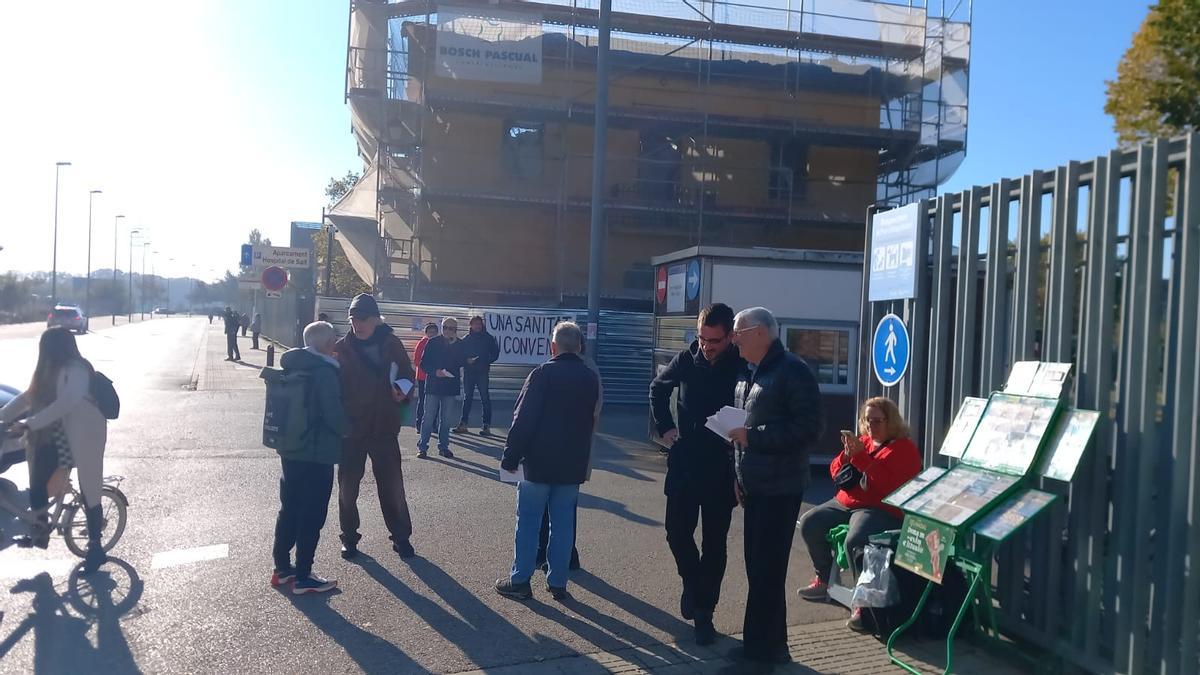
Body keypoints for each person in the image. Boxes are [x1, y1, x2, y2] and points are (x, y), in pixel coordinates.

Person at [726, 307, 823, 671]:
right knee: (758, 569)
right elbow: (741, 431)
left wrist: (755, 438)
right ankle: (764, 646)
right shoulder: (753, 373)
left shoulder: (792, 371)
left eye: (739, 331)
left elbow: (809, 429)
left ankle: (764, 652)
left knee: (767, 571)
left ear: (762, 333)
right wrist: (737, 475)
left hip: (780, 488)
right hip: (756, 485)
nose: (734, 338)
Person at [649, 303, 745, 646]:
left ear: (730, 337)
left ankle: (705, 612)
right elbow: (658, 389)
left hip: (721, 468)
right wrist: (667, 428)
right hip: (686, 462)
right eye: (702, 338)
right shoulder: (687, 358)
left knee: (714, 544)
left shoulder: (742, 365)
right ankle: (693, 583)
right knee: (676, 532)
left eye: (714, 341)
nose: (706, 346)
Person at [496, 321, 600, 601]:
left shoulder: (542, 374)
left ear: (552, 346)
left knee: (528, 522)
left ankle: (520, 580)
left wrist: (510, 456)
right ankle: (558, 582)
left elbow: (523, 419)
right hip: (572, 463)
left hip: (539, 462)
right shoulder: (590, 377)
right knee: (563, 525)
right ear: (579, 347)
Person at [797, 396, 921, 631]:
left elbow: (889, 487)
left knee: (856, 541)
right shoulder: (863, 441)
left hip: (877, 507)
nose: (871, 426)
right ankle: (823, 579)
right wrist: (845, 455)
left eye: (877, 421)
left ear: (891, 421)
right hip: (846, 502)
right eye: (867, 420)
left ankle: (863, 604)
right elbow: (836, 471)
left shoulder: (903, 449)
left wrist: (861, 458)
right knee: (809, 522)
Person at [0, 328, 109, 573]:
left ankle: (96, 547)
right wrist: (2, 417)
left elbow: (66, 403)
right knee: (37, 478)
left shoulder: (78, 370)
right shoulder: (49, 370)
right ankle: (40, 528)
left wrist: (28, 423)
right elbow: (28, 397)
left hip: (86, 435)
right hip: (58, 434)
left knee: (89, 487)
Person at [334, 293, 418, 560]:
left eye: (362, 319)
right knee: (348, 488)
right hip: (352, 430)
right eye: (353, 319)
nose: (357, 324)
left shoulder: (391, 343)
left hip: (383, 426)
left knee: (392, 485)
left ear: (375, 320)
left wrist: (402, 390)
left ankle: (401, 537)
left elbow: (408, 373)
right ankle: (349, 538)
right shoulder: (341, 347)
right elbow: (332, 387)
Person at [271, 321, 348, 594]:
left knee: (289, 507)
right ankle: (304, 575)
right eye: (334, 340)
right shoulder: (324, 372)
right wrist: (350, 431)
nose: (336, 343)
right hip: (317, 452)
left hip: (290, 448)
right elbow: (333, 415)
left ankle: (282, 569)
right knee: (313, 513)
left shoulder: (292, 364)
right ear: (327, 344)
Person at [416, 317, 462, 459]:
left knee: (446, 420)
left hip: (450, 387)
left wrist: (454, 345)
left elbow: (462, 362)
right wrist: (435, 372)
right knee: (428, 418)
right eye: (446, 327)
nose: (448, 330)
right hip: (434, 386)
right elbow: (423, 363)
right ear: (442, 328)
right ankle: (422, 447)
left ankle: (443, 447)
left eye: (452, 328)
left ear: (456, 330)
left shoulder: (460, 344)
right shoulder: (432, 342)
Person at [454, 315, 500, 436]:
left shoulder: (489, 338)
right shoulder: (466, 339)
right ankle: (463, 424)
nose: (477, 326)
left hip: (482, 372)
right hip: (469, 372)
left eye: (479, 324)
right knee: (467, 398)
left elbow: (495, 353)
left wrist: (485, 360)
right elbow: (459, 357)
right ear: (471, 325)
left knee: (485, 398)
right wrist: (466, 361)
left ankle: (486, 426)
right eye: (475, 324)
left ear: (482, 325)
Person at [412, 322, 439, 431]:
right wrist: (428, 369)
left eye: (434, 332)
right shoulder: (422, 343)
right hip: (423, 377)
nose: (432, 334)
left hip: (437, 377)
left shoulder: (440, 343)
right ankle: (419, 424)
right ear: (426, 333)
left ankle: (434, 424)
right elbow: (416, 360)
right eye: (430, 332)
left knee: (436, 401)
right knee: (423, 400)